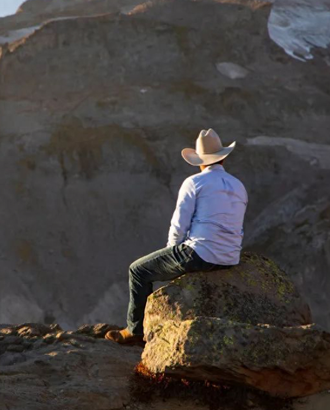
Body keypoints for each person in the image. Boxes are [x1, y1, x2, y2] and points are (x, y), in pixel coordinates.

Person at [105, 128, 248, 345]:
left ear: (199, 161)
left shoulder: (195, 183)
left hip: (200, 254)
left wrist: (172, 251)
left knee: (138, 270)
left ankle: (134, 330)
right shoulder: (239, 186)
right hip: (230, 258)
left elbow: (179, 223)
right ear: (222, 158)